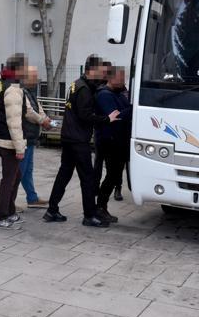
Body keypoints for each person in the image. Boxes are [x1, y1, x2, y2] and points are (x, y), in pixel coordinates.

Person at [45, 55, 120, 228]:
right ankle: (89, 215)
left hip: (68, 136)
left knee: (64, 174)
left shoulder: (76, 84)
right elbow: (85, 115)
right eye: (100, 70)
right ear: (92, 70)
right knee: (87, 178)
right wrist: (107, 119)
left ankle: (52, 210)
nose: (102, 74)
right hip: (78, 140)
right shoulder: (84, 89)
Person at [0, 54, 28, 228]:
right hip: (8, 141)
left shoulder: (0, 83)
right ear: (19, 69)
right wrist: (19, 148)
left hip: (0, 137)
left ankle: (10, 211)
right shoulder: (12, 88)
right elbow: (14, 121)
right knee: (9, 179)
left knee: (15, 176)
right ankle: (2, 216)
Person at [95, 66, 132, 222]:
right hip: (110, 142)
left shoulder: (119, 94)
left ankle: (102, 207)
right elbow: (116, 118)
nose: (123, 81)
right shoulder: (104, 95)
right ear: (110, 78)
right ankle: (100, 207)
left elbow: (123, 113)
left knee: (115, 175)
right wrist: (133, 108)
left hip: (120, 142)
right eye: (120, 78)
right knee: (112, 175)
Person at [20, 66, 51, 208]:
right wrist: (42, 121)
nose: (36, 79)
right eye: (33, 76)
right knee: (19, 171)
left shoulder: (31, 92)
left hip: (31, 137)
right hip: (24, 137)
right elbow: (29, 112)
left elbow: (38, 108)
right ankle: (8, 202)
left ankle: (32, 198)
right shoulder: (21, 92)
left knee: (27, 170)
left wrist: (46, 119)